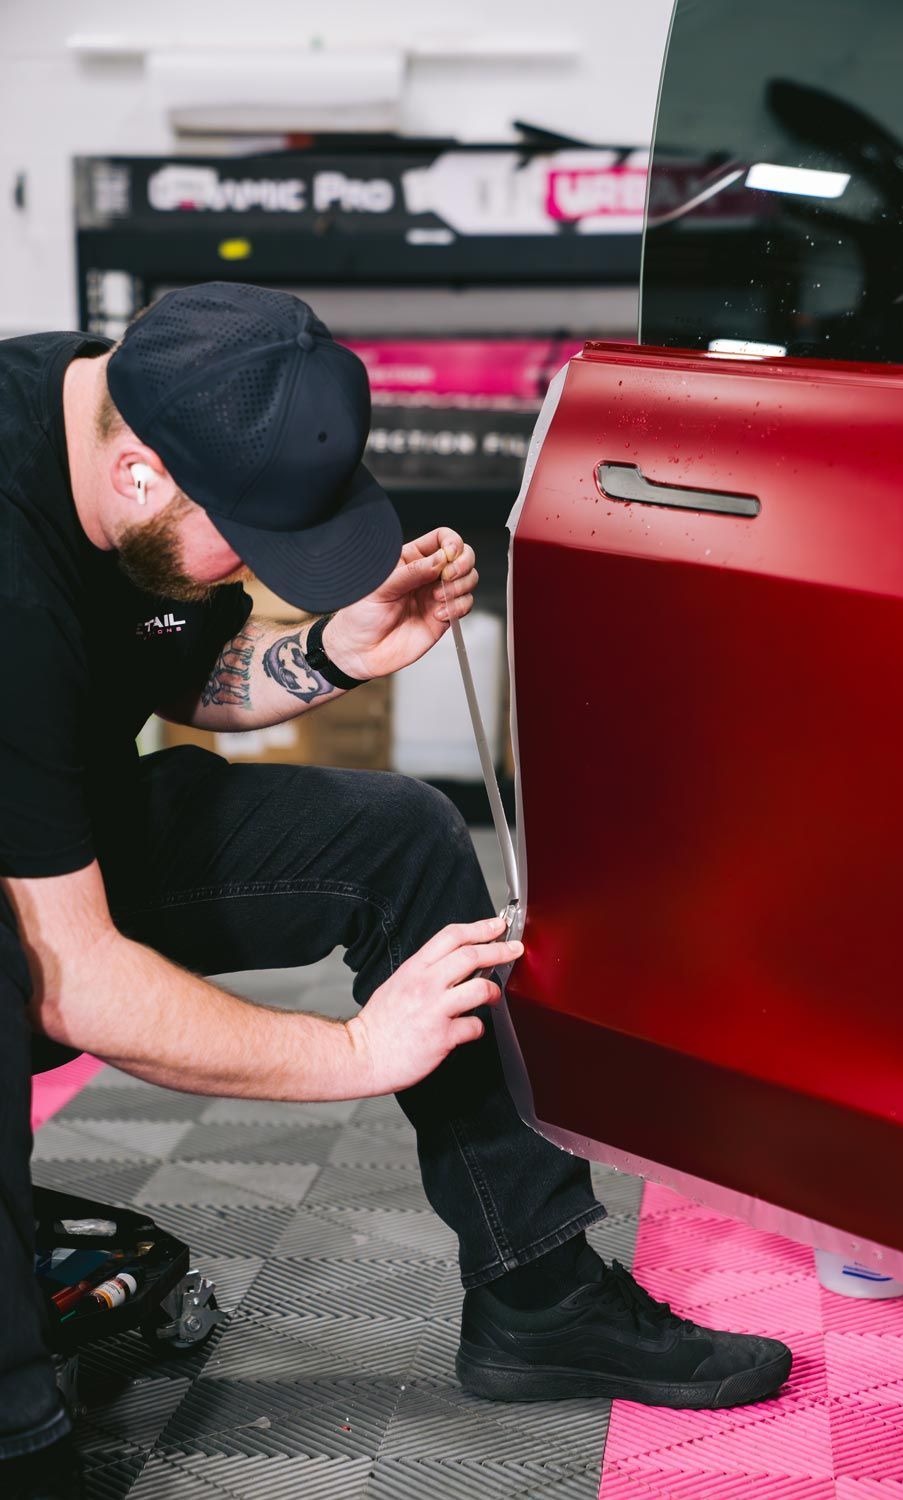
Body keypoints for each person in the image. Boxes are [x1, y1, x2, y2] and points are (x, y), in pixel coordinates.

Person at [0, 284, 791, 1498]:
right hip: (29, 919)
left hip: (50, 819)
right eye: (251, 546)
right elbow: (75, 979)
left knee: (401, 837)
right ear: (142, 477)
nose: (265, 572)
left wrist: (328, 653)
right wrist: (357, 1051)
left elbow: (172, 664)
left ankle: (539, 1296)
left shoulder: (154, 411)